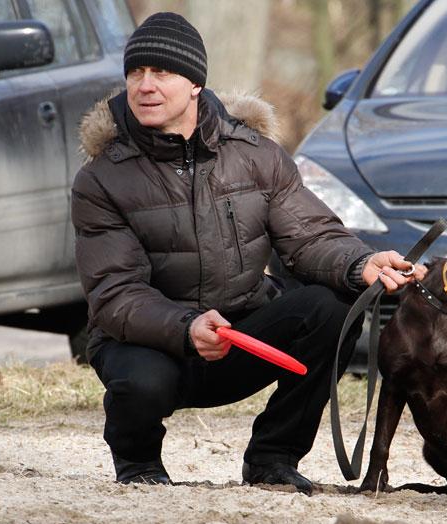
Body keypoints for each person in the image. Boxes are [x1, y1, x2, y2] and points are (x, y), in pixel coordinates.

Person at [71, 12, 425, 495]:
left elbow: (309, 235)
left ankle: (273, 459)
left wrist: (360, 263)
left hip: (240, 335)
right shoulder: (100, 178)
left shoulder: (256, 154)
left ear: (195, 82)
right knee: (141, 380)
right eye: (136, 73)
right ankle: (139, 465)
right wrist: (184, 327)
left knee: (330, 310)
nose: (145, 86)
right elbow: (115, 293)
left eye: (162, 73)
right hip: (151, 345)